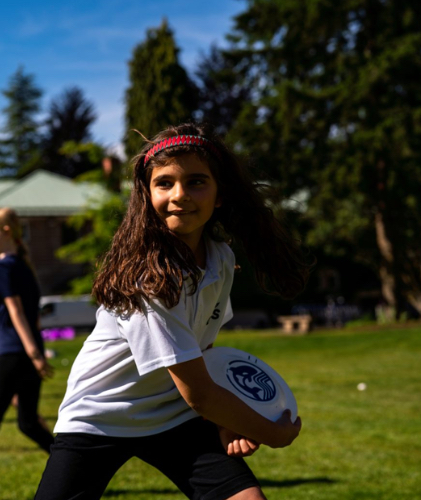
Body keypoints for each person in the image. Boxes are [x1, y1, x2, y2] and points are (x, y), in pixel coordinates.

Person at [34, 123, 311, 500]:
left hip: (175, 413)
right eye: (164, 183)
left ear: (221, 193)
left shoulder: (221, 259)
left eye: (197, 181)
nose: (179, 195)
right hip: (100, 416)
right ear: (146, 194)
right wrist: (272, 432)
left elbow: (203, 349)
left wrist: (223, 422)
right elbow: (199, 392)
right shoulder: (146, 279)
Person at [0, 208, 55, 500]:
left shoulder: (0, 268)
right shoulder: (24, 266)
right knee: (28, 422)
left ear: (5, 232)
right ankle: (77, 469)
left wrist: (33, 353)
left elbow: (16, 311)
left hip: (12, 353)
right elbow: (32, 316)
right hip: (27, 351)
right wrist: (37, 352)